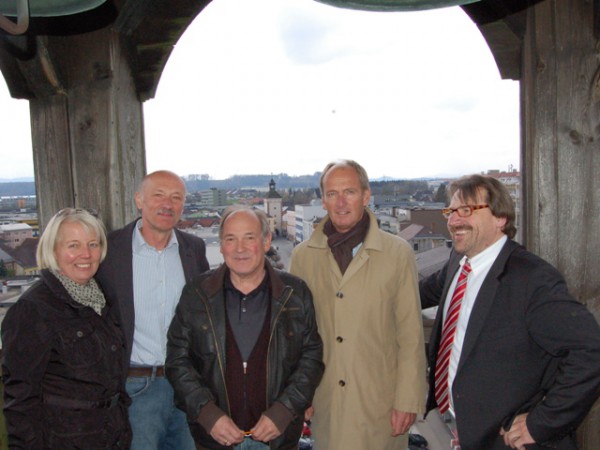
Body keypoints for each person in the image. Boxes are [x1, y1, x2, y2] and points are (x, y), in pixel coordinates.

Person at [420, 174, 600, 450]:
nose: (453, 220)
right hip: (462, 429)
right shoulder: (459, 261)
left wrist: (542, 422)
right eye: (451, 211)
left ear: (500, 218)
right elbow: (418, 292)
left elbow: (591, 351)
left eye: (466, 210)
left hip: (507, 440)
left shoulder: (531, 278)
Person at [289, 159, 427, 449]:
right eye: (331, 194)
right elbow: (296, 335)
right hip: (326, 402)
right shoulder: (303, 257)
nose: (340, 202)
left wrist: (407, 399)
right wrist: (300, 394)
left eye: (349, 192)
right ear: (323, 200)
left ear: (366, 196)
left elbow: (410, 335)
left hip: (382, 404)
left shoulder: (397, 253)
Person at [166, 205, 324, 450]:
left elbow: (311, 359)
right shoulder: (197, 294)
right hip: (215, 438)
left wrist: (283, 411)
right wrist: (207, 414)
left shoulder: (295, 293)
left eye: (249, 238)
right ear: (221, 246)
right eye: (231, 239)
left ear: (266, 241)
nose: (239, 248)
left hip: (277, 438)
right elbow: (178, 361)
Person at [95, 170, 209, 450]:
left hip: (187, 387)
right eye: (158, 195)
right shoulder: (109, 250)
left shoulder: (193, 249)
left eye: (176, 198)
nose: (167, 204)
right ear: (139, 200)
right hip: (136, 388)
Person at [2, 208, 131, 448]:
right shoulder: (33, 309)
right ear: (53, 250)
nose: (86, 254)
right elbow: (21, 398)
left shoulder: (101, 298)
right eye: (73, 246)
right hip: (64, 440)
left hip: (111, 435)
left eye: (93, 244)